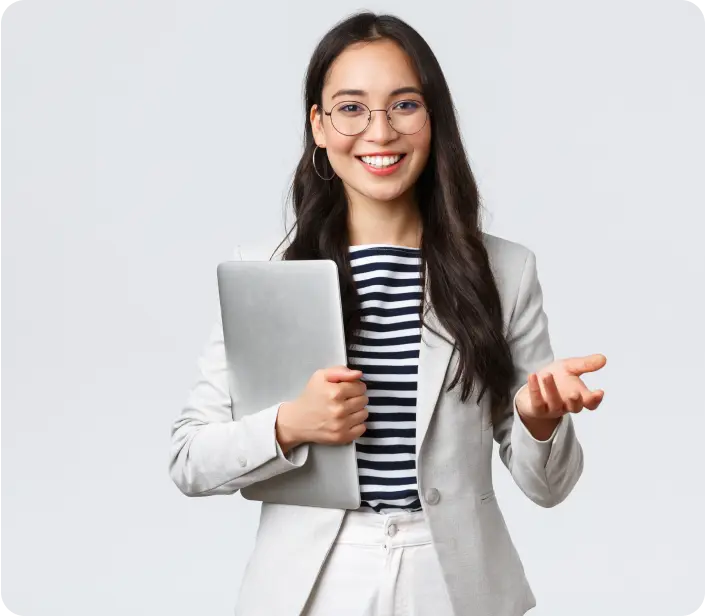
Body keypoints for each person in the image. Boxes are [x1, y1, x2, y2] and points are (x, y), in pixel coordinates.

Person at [168, 11, 607, 616]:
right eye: (351, 108)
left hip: (453, 578)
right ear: (318, 126)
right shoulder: (266, 272)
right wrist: (290, 424)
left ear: (434, 120)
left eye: (404, 105)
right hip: (313, 583)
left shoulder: (505, 272)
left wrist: (538, 421)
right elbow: (189, 459)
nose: (379, 132)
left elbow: (549, 487)